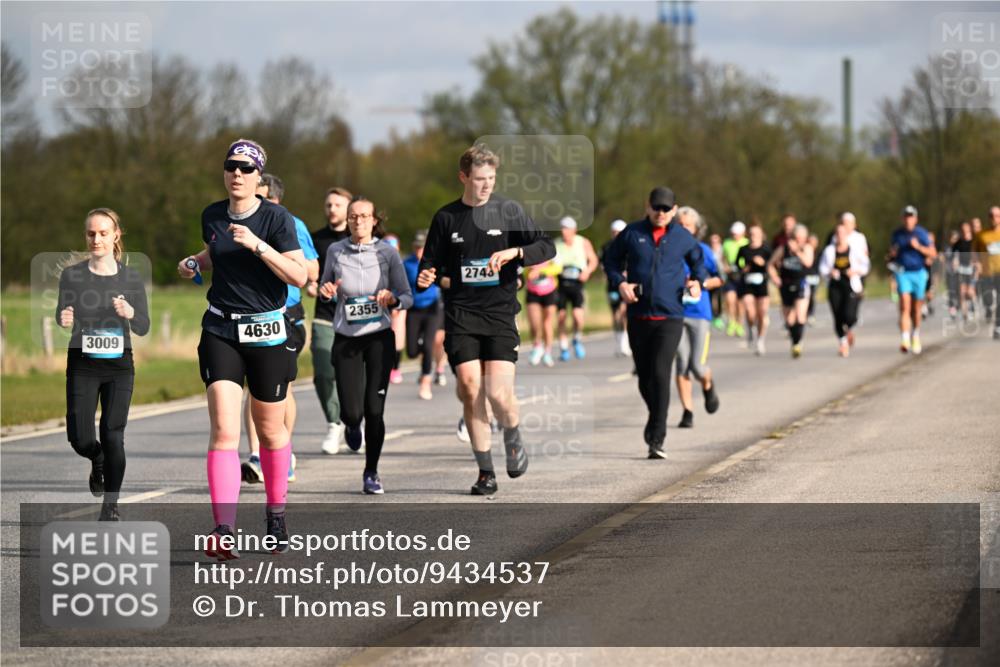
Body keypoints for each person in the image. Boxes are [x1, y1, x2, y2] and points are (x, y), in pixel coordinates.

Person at [178, 138, 307, 559]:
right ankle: (223, 528)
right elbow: (218, 249)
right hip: (221, 329)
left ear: (258, 176)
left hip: (268, 333)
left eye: (246, 169)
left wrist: (258, 245)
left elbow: (299, 276)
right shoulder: (212, 215)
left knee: (270, 431)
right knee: (225, 431)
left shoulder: (277, 218)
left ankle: (276, 513)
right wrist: (197, 261)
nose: (237, 173)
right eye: (231, 166)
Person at [416, 144, 555, 495]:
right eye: (479, 179)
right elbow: (430, 262)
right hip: (462, 313)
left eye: (491, 178)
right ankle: (485, 472)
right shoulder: (446, 218)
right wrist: (426, 276)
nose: (486, 185)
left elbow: (546, 246)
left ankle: (512, 433)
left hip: (499, 313)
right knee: (469, 388)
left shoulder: (508, 211)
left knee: (499, 394)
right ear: (464, 177)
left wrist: (517, 252)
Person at [58, 208, 150, 521]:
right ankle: (96, 458)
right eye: (91, 233)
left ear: (115, 236)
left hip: (118, 367)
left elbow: (143, 326)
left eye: (103, 233)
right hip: (83, 365)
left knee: (113, 435)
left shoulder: (130, 277)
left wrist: (130, 313)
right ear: (86, 236)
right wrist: (64, 317)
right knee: (80, 438)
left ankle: (111, 505)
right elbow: (63, 312)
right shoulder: (72, 276)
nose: (96, 239)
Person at [604, 187, 707, 459]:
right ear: (647, 206)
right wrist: (621, 283)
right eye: (656, 208)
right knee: (645, 377)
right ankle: (656, 413)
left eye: (666, 209)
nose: (660, 213)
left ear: (674, 210)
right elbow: (611, 261)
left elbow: (699, 264)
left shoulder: (682, 237)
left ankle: (657, 437)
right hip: (638, 315)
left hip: (670, 316)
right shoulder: (632, 233)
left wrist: (697, 282)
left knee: (661, 374)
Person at [318, 197, 413, 494]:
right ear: (348, 221)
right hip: (347, 337)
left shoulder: (388, 253)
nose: (358, 221)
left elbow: (406, 295)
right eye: (353, 217)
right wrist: (327, 292)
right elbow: (324, 289)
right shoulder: (335, 251)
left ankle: (371, 472)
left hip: (379, 337)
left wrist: (393, 300)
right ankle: (349, 425)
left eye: (364, 216)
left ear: (374, 220)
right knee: (351, 412)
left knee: (375, 410)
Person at [240, 174, 319, 485]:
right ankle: (256, 455)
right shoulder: (238, 221)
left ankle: (282, 449)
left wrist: (270, 254)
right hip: (250, 315)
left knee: (278, 388)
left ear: (269, 195)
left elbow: (311, 269)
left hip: (286, 315)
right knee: (251, 387)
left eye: (255, 191)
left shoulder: (289, 222)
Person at [310, 186, 353, 454]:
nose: (332, 209)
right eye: (328, 205)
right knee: (324, 372)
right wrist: (310, 284)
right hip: (325, 315)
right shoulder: (316, 240)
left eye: (337, 205)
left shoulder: (359, 238)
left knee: (353, 375)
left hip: (357, 318)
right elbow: (307, 272)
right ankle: (333, 423)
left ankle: (353, 420)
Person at [673, 207, 722, 429]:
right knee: (682, 363)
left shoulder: (703, 251)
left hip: (699, 314)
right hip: (674, 313)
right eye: (679, 225)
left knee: (696, 365)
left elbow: (720, 279)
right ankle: (687, 411)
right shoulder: (668, 250)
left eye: (688, 226)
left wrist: (700, 284)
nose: (683, 229)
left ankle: (707, 382)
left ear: (696, 229)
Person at [888, 205, 936, 354]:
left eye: (911, 216)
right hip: (903, 273)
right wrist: (892, 254)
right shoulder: (897, 234)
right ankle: (905, 338)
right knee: (904, 306)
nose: (908, 219)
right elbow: (891, 253)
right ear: (903, 218)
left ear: (915, 218)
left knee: (916, 308)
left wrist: (918, 247)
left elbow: (933, 253)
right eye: (906, 216)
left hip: (919, 273)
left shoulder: (922, 233)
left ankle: (915, 335)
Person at [819, 222, 870, 357]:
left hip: (850, 285)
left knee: (849, 315)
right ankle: (843, 343)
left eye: (843, 233)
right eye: (838, 233)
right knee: (837, 316)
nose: (840, 236)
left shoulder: (854, 250)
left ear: (847, 235)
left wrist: (855, 271)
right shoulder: (829, 250)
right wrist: (830, 272)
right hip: (835, 286)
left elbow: (865, 266)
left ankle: (850, 329)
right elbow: (822, 268)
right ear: (835, 235)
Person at [404, 231, 443, 398]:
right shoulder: (407, 264)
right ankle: (423, 354)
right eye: (418, 247)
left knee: (428, 346)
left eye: (423, 247)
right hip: (414, 309)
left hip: (433, 308)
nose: (420, 250)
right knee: (412, 351)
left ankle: (426, 381)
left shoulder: (437, 262)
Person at [554, 216, 599, 361]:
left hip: (577, 282)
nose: (564, 231)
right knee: (561, 317)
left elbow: (593, 260)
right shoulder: (556, 244)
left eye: (567, 228)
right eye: (562, 228)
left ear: (574, 229)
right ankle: (563, 347)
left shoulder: (583, 242)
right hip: (561, 283)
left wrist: (587, 272)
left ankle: (577, 338)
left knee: (577, 317)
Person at [768, 223, 814, 358]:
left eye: (801, 238)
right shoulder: (783, 249)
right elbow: (770, 265)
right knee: (789, 320)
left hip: (801, 284)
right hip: (786, 285)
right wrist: (775, 277)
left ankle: (797, 344)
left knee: (800, 316)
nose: (799, 240)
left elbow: (808, 263)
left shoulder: (807, 248)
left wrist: (798, 251)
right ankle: (795, 341)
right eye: (796, 237)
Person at [736, 224, 772, 355]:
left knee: (762, 312)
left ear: (761, 234)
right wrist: (742, 269)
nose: (753, 236)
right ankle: (751, 327)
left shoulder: (766, 249)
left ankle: (760, 340)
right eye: (751, 233)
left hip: (762, 282)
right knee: (750, 311)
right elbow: (736, 264)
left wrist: (763, 264)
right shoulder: (743, 249)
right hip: (748, 282)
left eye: (756, 233)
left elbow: (773, 264)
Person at [600, 219, 631, 356]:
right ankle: (619, 341)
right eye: (614, 232)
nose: (616, 235)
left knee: (624, 312)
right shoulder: (607, 247)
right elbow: (603, 265)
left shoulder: (630, 246)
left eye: (619, 232)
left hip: (627, 284)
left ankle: (625, 342)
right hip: (612, 285)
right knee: (616, 314)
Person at [525, 255, 560, 367]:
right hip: (533, 292)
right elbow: (523, 270)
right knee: (535, 323)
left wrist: (540, 270)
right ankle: (537, 346)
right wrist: (529, 271)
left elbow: (558, 268)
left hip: (549, 291)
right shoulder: (527, 249)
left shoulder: (550, 249)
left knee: (547, 323)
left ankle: (547, 352)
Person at [382, 233, 407, 384]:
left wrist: (398, 304)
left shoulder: (401, 265)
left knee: (397, 336)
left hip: (397, 304)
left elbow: (403, 286)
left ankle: (395, 368)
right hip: (381, 304)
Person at [972, 205, 1000, 339]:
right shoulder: (981, 235)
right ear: (989, 218)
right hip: (987, 272)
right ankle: (988, 308)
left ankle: (998, 326)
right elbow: (974, 252)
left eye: (997, 216)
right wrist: (976, 263)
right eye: (992, 216)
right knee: (988, 299)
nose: (994, 218)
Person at [721, 222, 748, 338]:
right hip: (730, 275)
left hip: (742, 275)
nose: (734, 236)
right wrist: (725, 267)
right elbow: (723, 258)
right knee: (730, 300)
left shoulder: (746, 243)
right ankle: (731, 322)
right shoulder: (727, 243)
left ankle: (740, 324)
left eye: (737, 234)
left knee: (740, 302)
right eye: (733, 233)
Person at [951, 222, 978, 321]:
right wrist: (954, 262)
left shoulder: (974, 242)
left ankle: (973, 305)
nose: (964, 232)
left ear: (969, 229)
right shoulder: (957, 243)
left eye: (966, 229)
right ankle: (965, 314)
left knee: (970, 292)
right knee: (962, 292)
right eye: (962, 230)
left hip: (972, 269)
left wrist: (976, 263)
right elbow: (954, 256)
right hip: (961, 269)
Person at [708, 232, 725, 330]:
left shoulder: (722, 251)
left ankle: (718, 316)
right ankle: (712, 315)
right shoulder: (708, 250)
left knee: (719, 297)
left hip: (721, 276)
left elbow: (726, 263)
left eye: (716, 241)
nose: (714, 243)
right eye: (712, 241)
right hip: (710, 276)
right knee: (710, 296)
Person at [804, 233, 821, 325]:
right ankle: (804, 313)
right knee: (805, 295)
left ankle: (811, 314)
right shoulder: (805, 252)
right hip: (806, 277)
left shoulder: (819, 253)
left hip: (814, 277)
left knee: (812, 296)